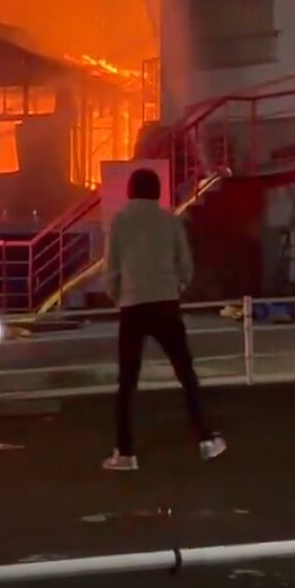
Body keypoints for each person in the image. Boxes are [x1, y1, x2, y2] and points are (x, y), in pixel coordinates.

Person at [103, 166, 226, 471]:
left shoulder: (119, 222)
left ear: (130, 190)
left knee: (127, 381)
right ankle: (206, 439)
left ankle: (125, 452)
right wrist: (176, 288)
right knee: (185, 373)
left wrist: (120, 296)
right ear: (157, 192)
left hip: (132, 305)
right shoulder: (170, 221)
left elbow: (111, 268)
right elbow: (185, 264)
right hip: (166, 303)